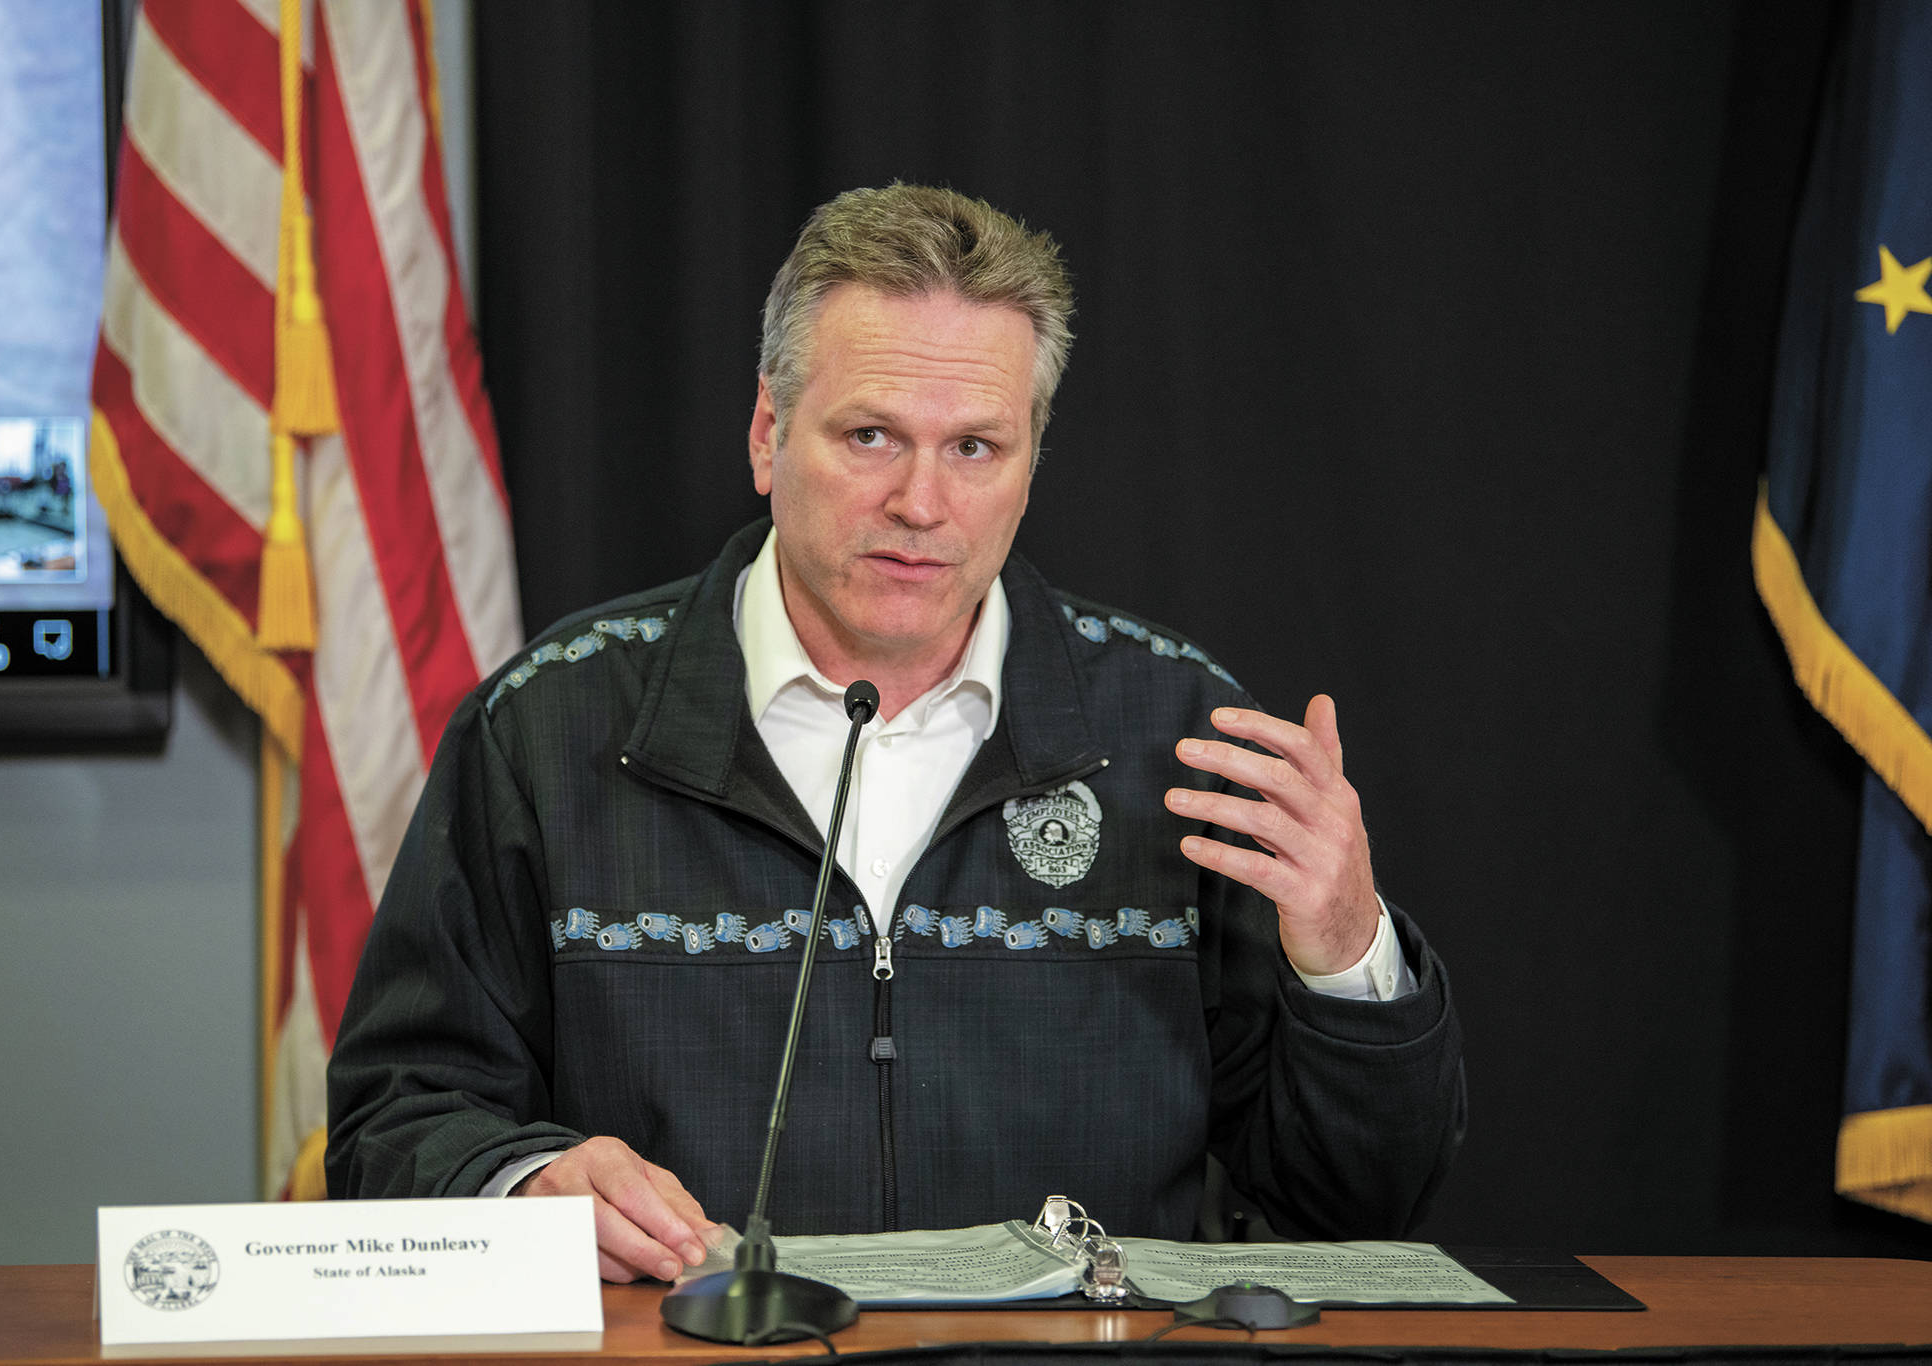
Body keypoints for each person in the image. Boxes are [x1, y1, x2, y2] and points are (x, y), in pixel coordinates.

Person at [326, 184, 1464, 1285]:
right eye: (870, 435)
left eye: (974, 447)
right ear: (768, 436)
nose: (922, 503)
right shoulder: (548, 723)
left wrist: (1349, 962)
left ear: (1030, 465)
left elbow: (1352, 1215)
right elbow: (391, 1118)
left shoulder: (1175, 737)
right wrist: (525, 1185)